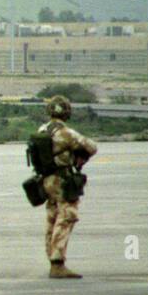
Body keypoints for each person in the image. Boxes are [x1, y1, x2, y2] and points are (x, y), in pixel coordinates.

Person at [37, 95, 97, 279]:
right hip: (62, 180)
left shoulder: (42, 129)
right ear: (67, 112)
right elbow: (91, 146)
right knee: (67, 216)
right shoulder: (65, 132)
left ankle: (52, 258)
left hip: (46, 180)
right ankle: (57, 263)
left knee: (52, 218)